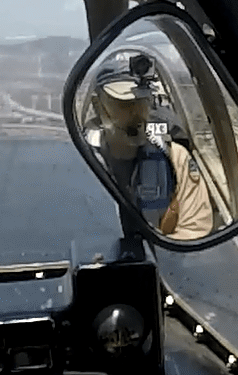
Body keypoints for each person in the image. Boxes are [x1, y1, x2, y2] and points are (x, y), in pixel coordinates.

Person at [90, 58, 218, 240]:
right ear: (98, 106)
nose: (138, 114)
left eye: (144, 101)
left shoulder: (174, 157)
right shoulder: (82, 160)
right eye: (125, 104)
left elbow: (195, 230)